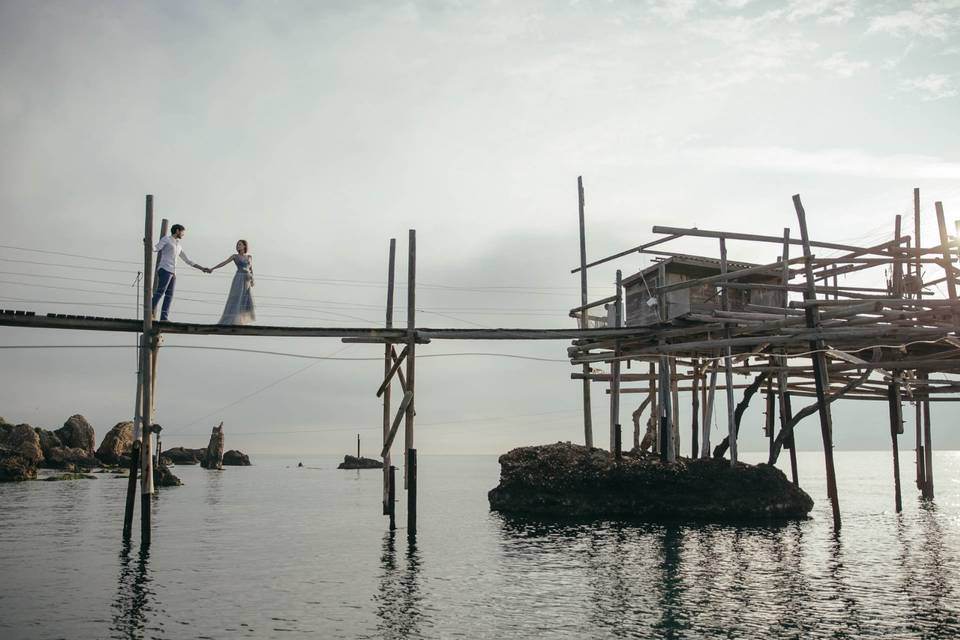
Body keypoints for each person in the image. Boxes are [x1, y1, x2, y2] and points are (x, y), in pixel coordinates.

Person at [152, 224, 210, 321]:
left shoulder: (178, 245)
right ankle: (149, 311)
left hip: (173, 273)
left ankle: (164, 318)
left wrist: (202, 268)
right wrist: (148, 243)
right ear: (178, 231)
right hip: (165, 269)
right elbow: (156, 248)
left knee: (169, 295)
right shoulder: (166, 239)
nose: (183, 234)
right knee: (160, 291)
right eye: (183, 232)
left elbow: (188, 260)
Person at [210, 239, 256, 325]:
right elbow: (224, 263)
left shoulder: (249, 257)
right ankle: (231, 319)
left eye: (240, 245)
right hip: (239, 278)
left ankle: (241, 320)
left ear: (244, 246)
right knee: (236, 297)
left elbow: (251, 268)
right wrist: (213, 268)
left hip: (247, 280)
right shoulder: (235, 256)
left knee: (245, 298)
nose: (238, 246)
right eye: (238, 245)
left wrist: (253, 280)